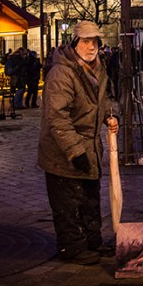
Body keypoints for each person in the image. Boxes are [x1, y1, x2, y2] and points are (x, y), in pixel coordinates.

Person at [38, 20, 119, 265]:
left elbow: (101, 99)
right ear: (75, 43)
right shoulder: (62, 73)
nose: (91, 46)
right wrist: (76, 151)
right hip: (63, 152)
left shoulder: (97, 68)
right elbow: (57, 117)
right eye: (85, 41)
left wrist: (108, 116)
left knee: (89, 198)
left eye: (94, 41)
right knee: (68, 202)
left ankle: (92, 240)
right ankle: (72, 247)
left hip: (90, 147)